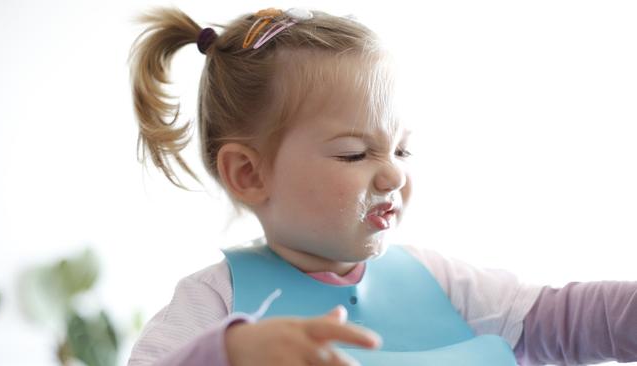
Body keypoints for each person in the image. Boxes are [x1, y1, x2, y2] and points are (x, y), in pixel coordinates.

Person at [126, 6, 637, 366]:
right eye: (354, 153)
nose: (393, 175)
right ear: (250, 174)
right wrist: (230, 355)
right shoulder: (216, 301)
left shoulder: (440, 281)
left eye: (401, 150)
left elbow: (561, 322)